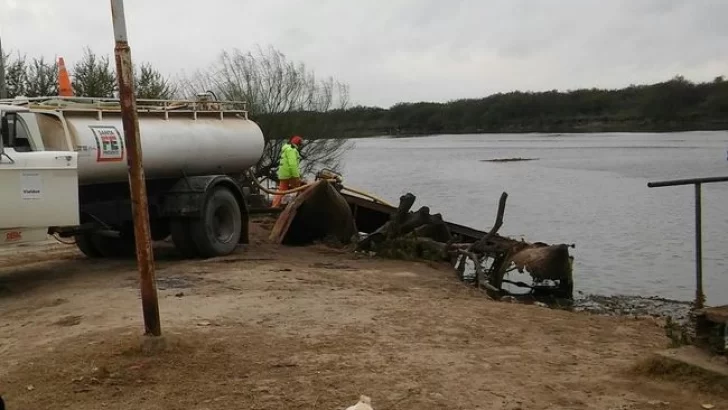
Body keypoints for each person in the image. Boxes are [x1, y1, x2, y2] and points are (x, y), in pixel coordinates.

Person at [271, 135, 303, 208]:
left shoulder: (286, 149)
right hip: (290, 174)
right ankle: (298, 206)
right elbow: (292, 165)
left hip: (283, 174)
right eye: (300, 144)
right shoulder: (292, 150)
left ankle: (274, 207)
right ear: (298, 144)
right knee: (299, 189)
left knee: (281, 191)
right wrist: (296, 176)